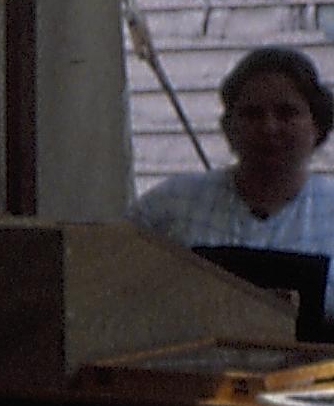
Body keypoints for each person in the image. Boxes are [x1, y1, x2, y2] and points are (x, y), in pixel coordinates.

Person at [127, 45, 334, 263]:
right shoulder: (168, 207)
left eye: (286, 113)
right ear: (229, 127)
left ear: (317, 124)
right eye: (252, 114)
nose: (269, 127)